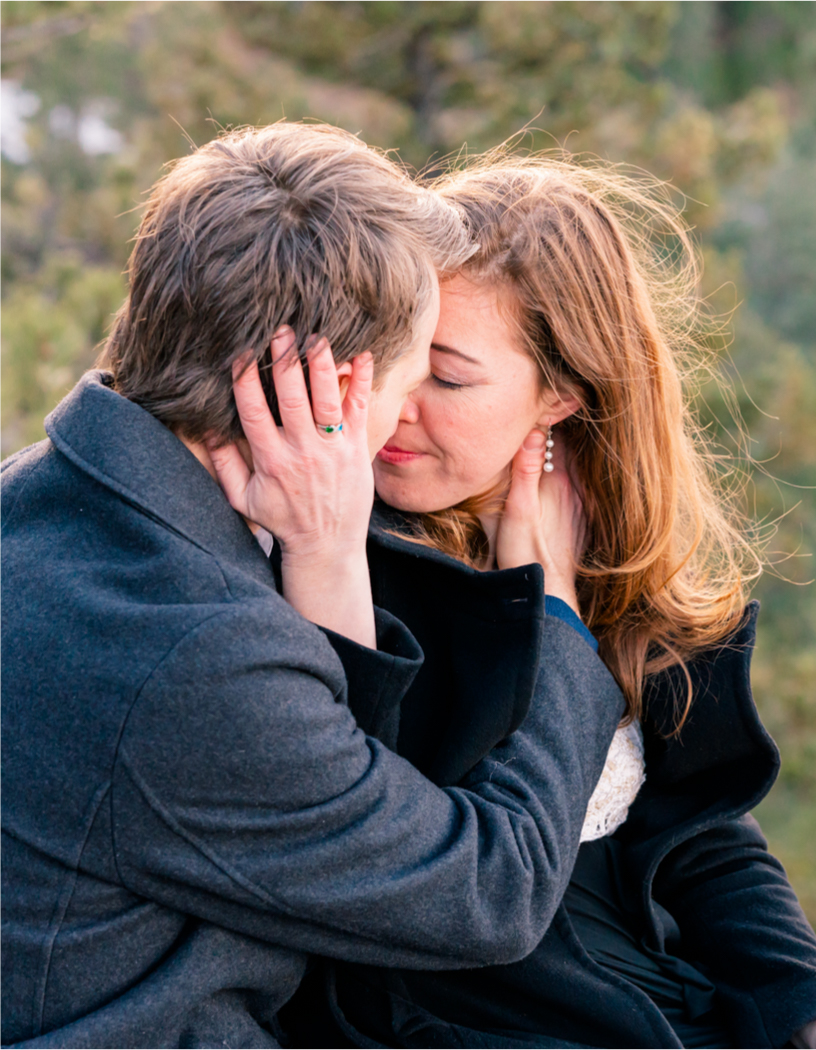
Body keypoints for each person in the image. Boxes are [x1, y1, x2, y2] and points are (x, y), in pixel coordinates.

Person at [278, 152, 816, 1049]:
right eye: (395, 358)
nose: (398, 406)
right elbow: (364, 840)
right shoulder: (339, 549)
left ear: (561, 395)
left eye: (449, 376)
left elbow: (697, 838)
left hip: (662, 990)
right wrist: (547, 620)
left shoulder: (597, 546)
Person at [0, 124, 628, 1049]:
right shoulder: (198, 654)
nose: (407, 415)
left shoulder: (46, 495)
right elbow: (490, 894)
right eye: (420, 375)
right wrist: (561, 619)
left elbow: (328, 804)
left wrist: (328, 558)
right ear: (330, 390)